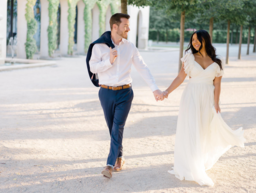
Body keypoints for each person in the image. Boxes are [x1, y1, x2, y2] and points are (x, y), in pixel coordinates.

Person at [163, 30, 245, 186]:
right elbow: (181, 77)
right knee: (191, 128)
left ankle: (197, 160)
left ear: (205, 40)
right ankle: (190, 166)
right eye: (193, 39)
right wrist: (166, 91)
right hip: (191, 97)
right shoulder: (189, 58)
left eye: (198, 39)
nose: (195, 42)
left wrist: (216, 103)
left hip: (207, 99)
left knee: (203, 130)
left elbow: (217, 84)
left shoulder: (217, 63)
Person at [89, 13, 164, 178]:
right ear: (115, 27)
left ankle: (109, 165)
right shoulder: (99, 46)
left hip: (125, 93)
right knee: (112, 128)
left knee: (118, 127)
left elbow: (142, 67)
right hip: (106, 93)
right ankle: (120, 157)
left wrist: (154, 89)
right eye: (126, 26)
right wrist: (109, 61)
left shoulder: (130, 46)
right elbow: (93, 67)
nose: (129, 29)